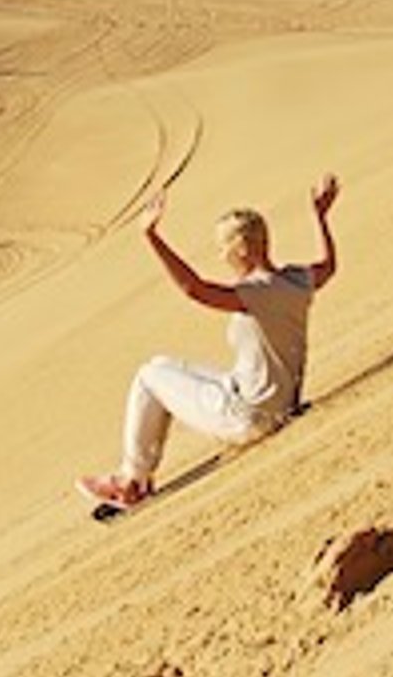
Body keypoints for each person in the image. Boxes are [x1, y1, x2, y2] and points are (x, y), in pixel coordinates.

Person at [78, 175, 340, 512]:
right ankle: (137, 475)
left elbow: (195, 289)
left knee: (147, 377)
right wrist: (320, 218)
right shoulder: (296, 280)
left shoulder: (256, 292)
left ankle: (129, 482)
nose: (220, 255)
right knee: (160, 365)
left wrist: (152, 237)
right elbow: (328, 266)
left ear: (241, 249)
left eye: (222, 247)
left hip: (249, 416)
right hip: (267, 402)